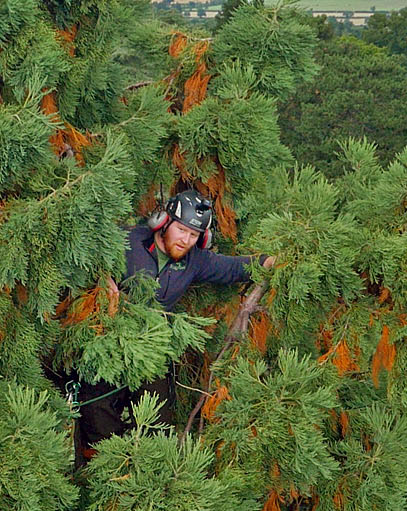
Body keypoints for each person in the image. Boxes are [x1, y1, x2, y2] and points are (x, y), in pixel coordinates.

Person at [73, 190, 273, 453]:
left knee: (157, 419)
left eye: (193, 235)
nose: (186, 240)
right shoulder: (129, 241)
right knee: (97, 414)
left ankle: (148, 467)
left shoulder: (195, 260)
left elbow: (234, 268)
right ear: (163, 222)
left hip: (151, 349)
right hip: (107, 341)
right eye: (181, 230)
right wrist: (102, 281)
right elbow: (82, 249)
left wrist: (272, 262)